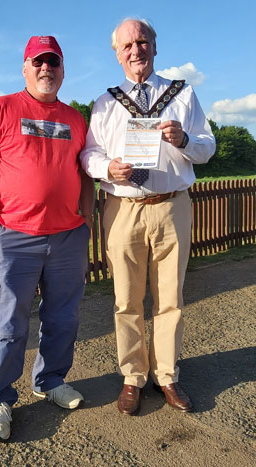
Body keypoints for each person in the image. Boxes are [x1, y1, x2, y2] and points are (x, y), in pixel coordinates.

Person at [80, 18, 215, 416]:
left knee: (170, 297)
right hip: (122, 210)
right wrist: (109, 169)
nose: (135, 50)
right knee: (127, 300)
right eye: (127, 46)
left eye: (142, 42)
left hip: (172, 205)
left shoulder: (183, 94)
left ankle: (167, 375)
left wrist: (185, 139)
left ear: (154, 47)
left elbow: (207, 147)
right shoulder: (106, 102)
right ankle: (133, 377)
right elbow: (88, 154)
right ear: (117, 54)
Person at [0, 35, 94, 443]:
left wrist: (86, 218)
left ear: (62, 69)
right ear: (24, 68)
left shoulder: (75, 119)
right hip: (16, 236)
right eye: (37, 61)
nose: (45, 68)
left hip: (68, 237)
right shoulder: (0, 108)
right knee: (5, 323)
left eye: (53, 62)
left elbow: (87, 172)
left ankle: (51, 380)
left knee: (63, 317)